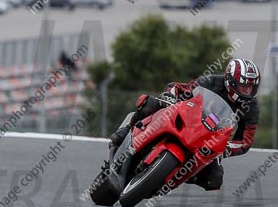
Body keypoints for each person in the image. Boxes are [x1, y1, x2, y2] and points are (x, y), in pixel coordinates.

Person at [109, 58, 260, 191]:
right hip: (188, 118)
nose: (247, 91)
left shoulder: (251, 106)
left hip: (209, 140)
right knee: (150, 103)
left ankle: (170, 176)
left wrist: (225, 149)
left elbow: (245, 141)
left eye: (251, 87)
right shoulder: (211, 81)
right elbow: (180, 88)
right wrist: (170, 95)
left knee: (215, 179)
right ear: (230, 81)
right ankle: (126, 130)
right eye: (244, 86)